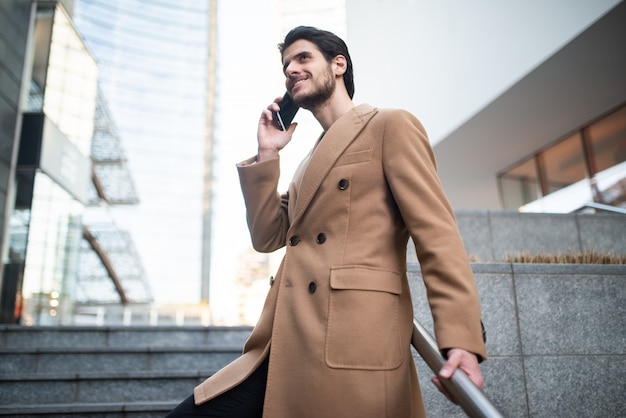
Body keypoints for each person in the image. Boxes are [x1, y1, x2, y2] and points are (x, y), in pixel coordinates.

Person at [167, 25, 486, 418]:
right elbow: (268, 236)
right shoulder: (306, 163)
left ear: (339, 65)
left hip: (350, 342)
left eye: (303, 58)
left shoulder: (390, 125)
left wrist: (461, 342)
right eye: (286, 65)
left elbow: (437, 237)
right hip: (287, 341)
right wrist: (267, 153)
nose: (291, 70)